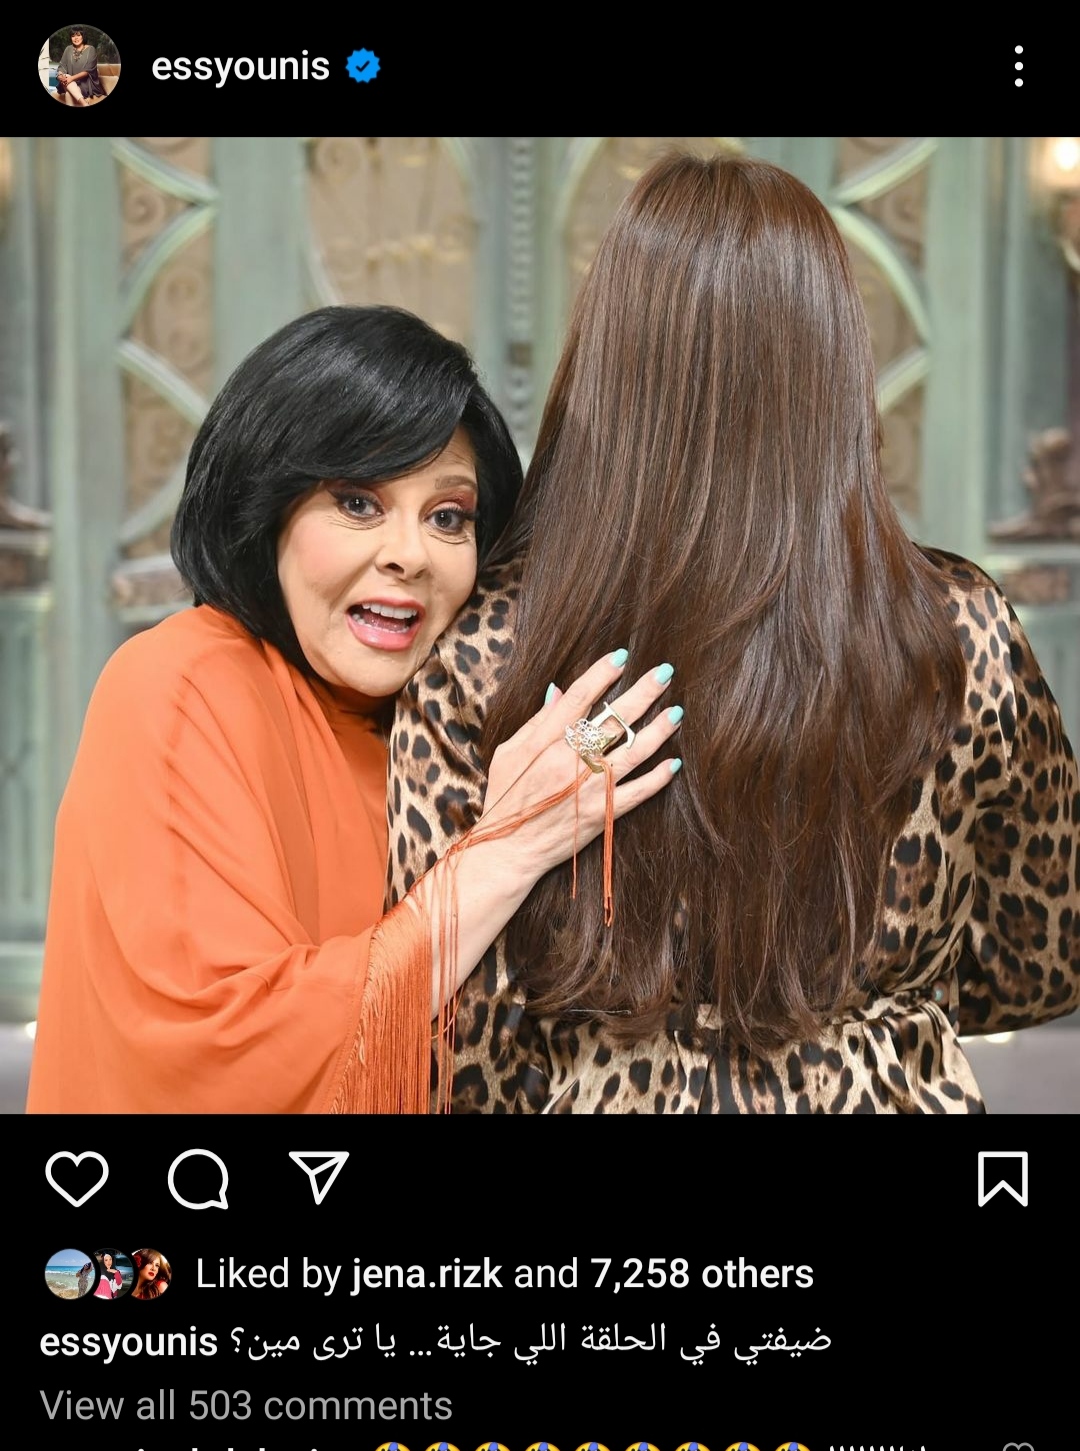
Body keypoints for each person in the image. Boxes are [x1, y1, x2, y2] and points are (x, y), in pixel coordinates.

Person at [387, 151, 1080, 1115]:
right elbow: (1041, 960)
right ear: (837, 365)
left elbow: (452, 1037)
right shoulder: (961, 632)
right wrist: (874, 1017)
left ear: (605, 367)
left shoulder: (488, 649)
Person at [26, 306, 681, 1114]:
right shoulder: (179, 685)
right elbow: (234, 1059)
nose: (409, 554)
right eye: (358, 504)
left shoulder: (435, 724)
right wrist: (509, 849)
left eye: (448, 517)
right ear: (266, 507)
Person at [55, 28, 105, 105]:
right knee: (66, 77)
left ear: (83, 36)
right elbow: (62, 66)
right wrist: (60, 76)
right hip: (68, 82)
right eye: (73, 36)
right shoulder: (68, 49)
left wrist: (71, 78)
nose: (76, 38)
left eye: (78, 35)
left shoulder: (91, 50)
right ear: (70, 38)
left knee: (69, 94)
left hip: (86, 84)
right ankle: (85, 104)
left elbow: (88, 71)